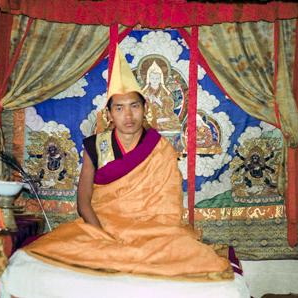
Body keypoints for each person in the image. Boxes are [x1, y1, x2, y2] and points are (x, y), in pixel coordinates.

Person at [23, 45, 232, 280]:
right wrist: (102, 235)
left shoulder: (159, 147)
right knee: (59, 249)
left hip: (151, 230)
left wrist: (144, 233)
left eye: (134, 106)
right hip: (103, 224)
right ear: (110, 114)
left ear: (145, 109)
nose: (128, 116)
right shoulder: (95, 146)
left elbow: (167, 205)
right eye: (119, 108)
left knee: (176, 249)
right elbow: (83, 201)